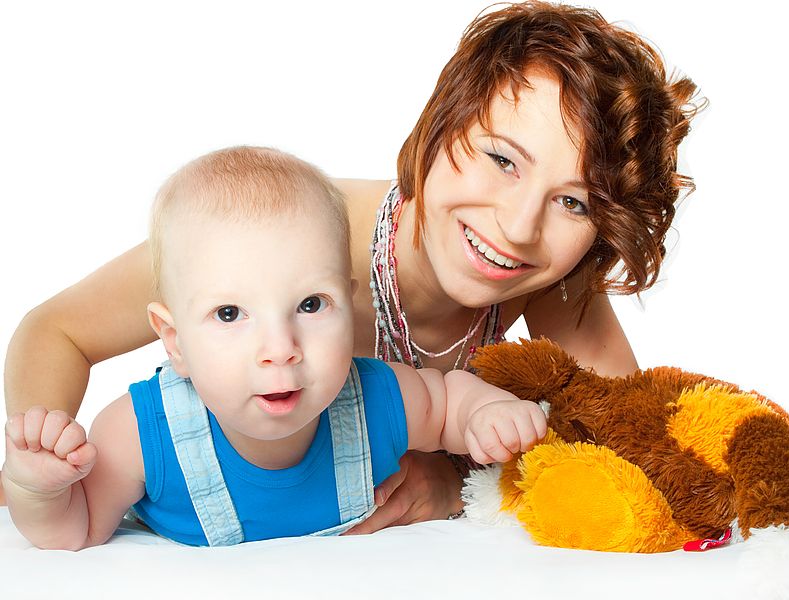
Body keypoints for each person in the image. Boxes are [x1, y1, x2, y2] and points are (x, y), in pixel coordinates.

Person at [1, 1, 700, 530]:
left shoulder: (552, 277)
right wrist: (43, 466)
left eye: (573, 201)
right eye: (500, 158)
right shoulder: (286, 235)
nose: (517, 228)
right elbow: (54, 329)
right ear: (440, 121)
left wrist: (458, 484)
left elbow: (636, 436)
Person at [1, 146, 548, 549]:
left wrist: (489, 413)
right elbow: (74, 532)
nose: (280, 349)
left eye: (311, 305)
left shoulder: (377, 399)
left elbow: (450, 399)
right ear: (175, 342)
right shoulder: (141, 436)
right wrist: (40, 490)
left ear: (349, 303)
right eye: (230, 314)